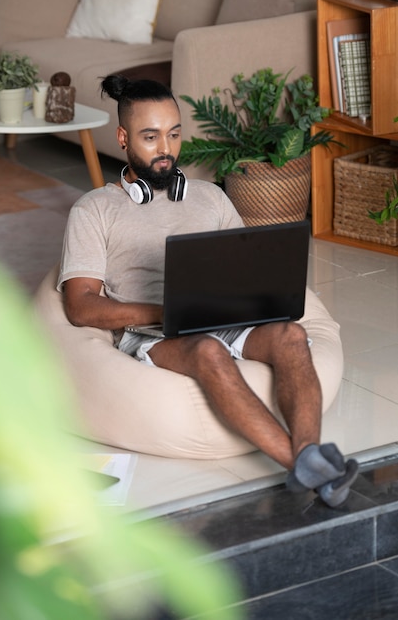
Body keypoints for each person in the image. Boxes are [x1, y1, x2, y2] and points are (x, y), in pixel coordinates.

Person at [57, 74, 358, 508]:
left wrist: (257, 293)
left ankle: (310, 458)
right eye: (150, 136)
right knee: (206, 352)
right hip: (154, 335)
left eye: (174, 134)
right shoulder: (94, 210)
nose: (166, 149)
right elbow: (80, 307)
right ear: (122, 137)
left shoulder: (210, 198)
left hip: (221, 316)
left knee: (292, 334)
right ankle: (302, 463)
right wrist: (166, 310)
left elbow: (243, 266)